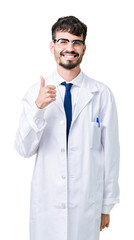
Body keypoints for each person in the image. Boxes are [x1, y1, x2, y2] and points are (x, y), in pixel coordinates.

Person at [14, 16, 120, 240]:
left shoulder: (101, 94)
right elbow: (23, 149)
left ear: (84, 48)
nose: (69, 48)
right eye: (63, 41)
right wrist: (38, 108)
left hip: (86, 205)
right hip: (47, 207)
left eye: (76, 42)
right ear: (52, 46)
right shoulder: (35, 93)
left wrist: (106, 205)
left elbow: (111, 153)